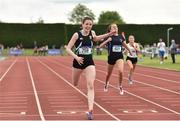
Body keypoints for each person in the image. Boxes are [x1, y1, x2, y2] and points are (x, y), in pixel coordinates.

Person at [65, 17, 115, 120]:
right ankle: (77, 80)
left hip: (89, 62)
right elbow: (68, 48)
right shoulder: (77, 35)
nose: (88, 26)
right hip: (78, 62)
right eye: (86, 24)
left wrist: (109, 34)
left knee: (91, 85)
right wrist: (77, 57)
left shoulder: (92, 33)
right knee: (75, 83)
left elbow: (97, 38)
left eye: (90, 24)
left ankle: (90, 111)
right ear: (82, 24)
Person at [97, 23, 131, 95]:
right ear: (110, 29)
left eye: (116, 27)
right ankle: (106, 83)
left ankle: (120, 86)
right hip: (111, 57)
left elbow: (124, 44)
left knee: (121, 71)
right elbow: (101, 45)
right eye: (113, 27)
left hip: (119, 57)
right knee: (108, 74)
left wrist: (130, 50)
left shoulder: (121, 36)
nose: (115, 28)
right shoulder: (108, 36)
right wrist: (106, 41)